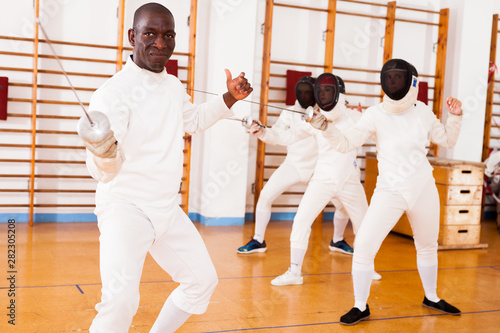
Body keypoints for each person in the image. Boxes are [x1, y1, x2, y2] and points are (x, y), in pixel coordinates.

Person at [80, 3, 252, 332]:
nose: (160, 43)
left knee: (202, 281)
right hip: (125, 208)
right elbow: (104, 172)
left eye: (168, 35)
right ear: (132, 37)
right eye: (150, 34)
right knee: (120, 301)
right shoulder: (112, 94)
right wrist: (103, 151)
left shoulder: (173, 85)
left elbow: (194, 120)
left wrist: (228, 98)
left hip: (166, 209)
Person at [310, 59, 463, 325]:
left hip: (423, 188)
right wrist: (327, 129)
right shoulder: (374, 114)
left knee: (427, 246)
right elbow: (346, 143)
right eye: (388, 78)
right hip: (389, 191)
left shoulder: (423, 112)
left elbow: (447, 140)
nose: (392, 82)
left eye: (397, 77)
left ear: (411, 81)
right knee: (364, 246)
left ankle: (432, 296)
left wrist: (456, 116)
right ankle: (360, 305)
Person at [249, 73, 380, 286]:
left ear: (339, 93)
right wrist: (263, 132)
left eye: (328, 90)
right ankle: (294, 272)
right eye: (321, 90)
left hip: (350, 179)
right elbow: (288, 136)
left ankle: (368, 267)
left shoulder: (356, 117)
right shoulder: (316, 119)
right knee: (301, 221)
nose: (323, 94)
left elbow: (380, 135)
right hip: (322, 178)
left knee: (364, 225)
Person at [237, 76, 356, 256]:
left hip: (319, 169)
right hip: (293, 165)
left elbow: (345, 131)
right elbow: (279, 134)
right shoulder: (289, 113)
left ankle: (337, 240)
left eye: (308, 92)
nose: (304, 95)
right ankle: (258, 240)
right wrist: (261, 130)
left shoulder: (327, 114)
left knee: (343, 205)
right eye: (301, 92)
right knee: (266, 196)